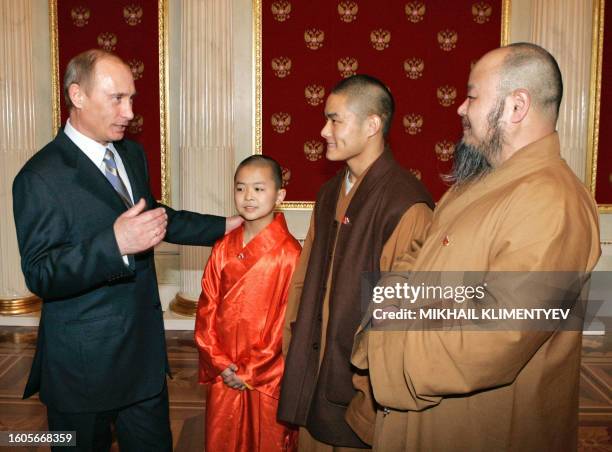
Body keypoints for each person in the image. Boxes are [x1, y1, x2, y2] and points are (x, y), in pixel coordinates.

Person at [350, 43, 601, 451]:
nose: (460, 109)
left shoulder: (552, 200)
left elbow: (496, 334)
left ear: (516, 106)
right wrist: (389, 299)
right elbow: (419, 252)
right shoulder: (479, 182)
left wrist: (384, 343)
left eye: (472, 96)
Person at [12, 49, 242, 451]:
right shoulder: (39, 176)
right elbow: (41, 273)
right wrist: (114, 244)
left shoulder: (131, 154)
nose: (130, 111)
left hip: (142, 363)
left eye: (131, 98)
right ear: (78, 95)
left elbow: (155, 216)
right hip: (82, 372)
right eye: (117, 98)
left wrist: (224, 227)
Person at [278, 74, 435, 450]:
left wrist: (371, 393)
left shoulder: (406, 203)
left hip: (363, 387)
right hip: (316, 367)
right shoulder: (330, 190)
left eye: (335, 120)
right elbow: (304, 279)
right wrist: (293, 346)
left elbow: (401, 317)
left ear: (372, 125)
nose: (323, 130)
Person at [195, 155, 301, 451]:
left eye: (258, 189)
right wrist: (220, 362)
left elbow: (286, 321)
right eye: (241, 189)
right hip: (224, 371)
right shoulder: (223, 247)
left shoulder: (289, 254)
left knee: (266, 438)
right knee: (223, 437)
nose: (248, 197)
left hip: (265, 376)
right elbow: (207, 307)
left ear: (279, 195)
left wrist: (250, 370)